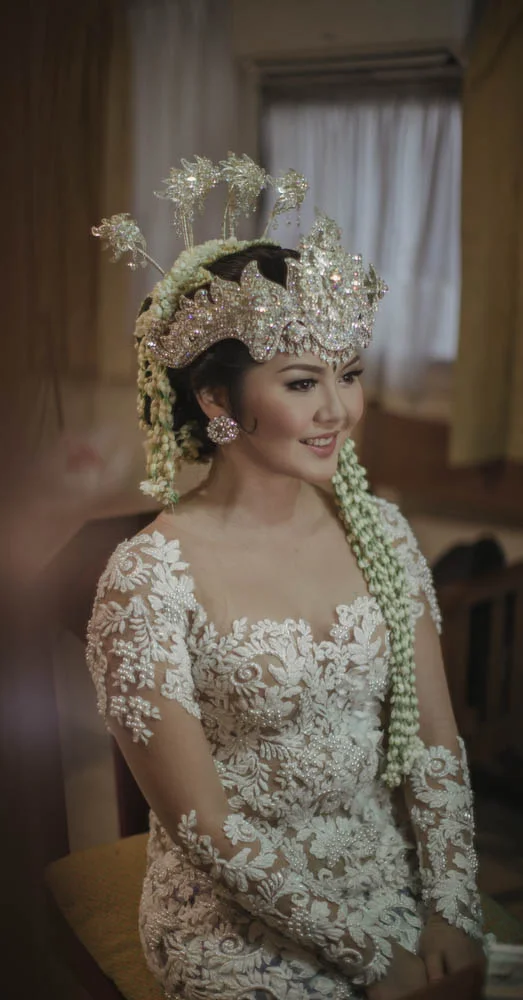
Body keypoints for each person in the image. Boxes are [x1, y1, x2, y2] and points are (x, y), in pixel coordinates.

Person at [86, 156, 487, 1000]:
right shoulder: (147, 579)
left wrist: (451, 909)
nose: (337, 410)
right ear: (216, 400)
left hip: (386, 876)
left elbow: (433, 743)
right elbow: (203, 825)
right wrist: (370, 957)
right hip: (232, 916)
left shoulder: (380, 531)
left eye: (350, 374)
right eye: (302, 382)